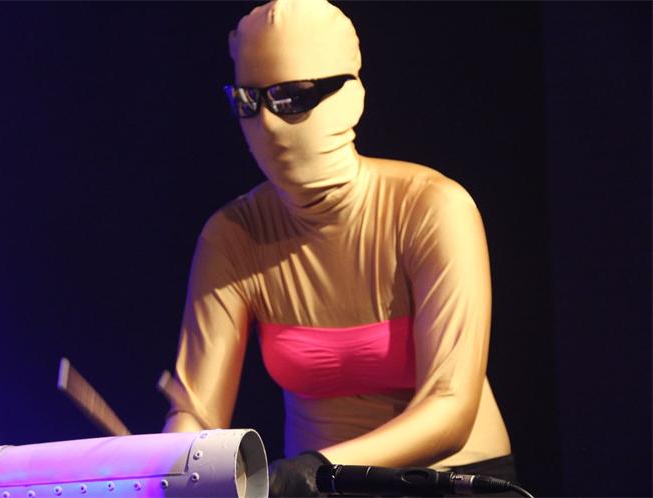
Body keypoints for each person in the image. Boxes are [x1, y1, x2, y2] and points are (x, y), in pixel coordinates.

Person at [160, 0, 515, 495]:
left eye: (291, 97)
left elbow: (450, 406)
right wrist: (176, 468)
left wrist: (313, 468)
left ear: (350, 95)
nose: (268, 124)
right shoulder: (233, 235)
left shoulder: (432, 208)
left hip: (450, 481)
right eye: (248, 101)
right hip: (315, 488)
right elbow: (196, 413)